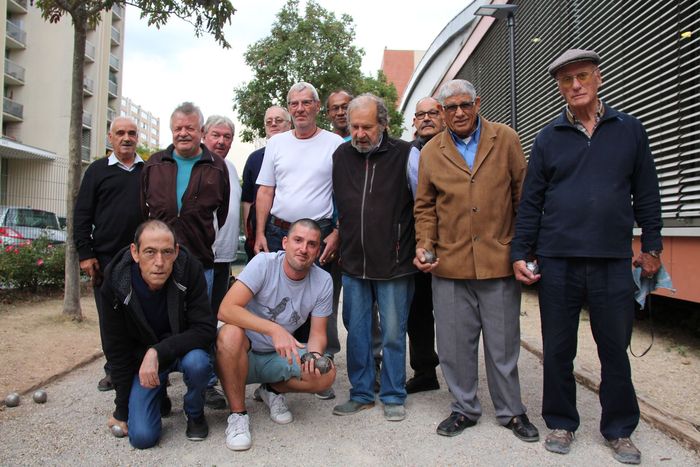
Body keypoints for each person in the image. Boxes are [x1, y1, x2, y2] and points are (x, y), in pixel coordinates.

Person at [511, 49, 663, 465]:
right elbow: (531, 202)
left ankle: (619, 430)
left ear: (597, 78)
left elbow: (647, 193)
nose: (575, 85)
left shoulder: (630, 130)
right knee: (558, 348)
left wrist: (652, 246)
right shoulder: (548, 137)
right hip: (558, 258)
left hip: (613, 259)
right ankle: (561, 421)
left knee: (614, 347)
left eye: (581, 77)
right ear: (559, 87)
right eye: (566, 80)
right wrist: (521, 252)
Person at [413, 79, 538, 442]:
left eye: (464, 105)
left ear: (478, 103)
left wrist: (524, 249)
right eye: (449, 108)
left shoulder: (506, 139)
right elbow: (425, 208)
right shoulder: (431, 152)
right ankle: (464, 408)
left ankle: (511, 411)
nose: (458, 113)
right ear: (442, 112)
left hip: (498, 259)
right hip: (450, 264)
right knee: (453, 345)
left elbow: (522, 197)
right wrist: (425, 245)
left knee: (503, 344)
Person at [254, 82, 344, 399]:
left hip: (319, 233)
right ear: (289, 108)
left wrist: (337, 232)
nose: (300, 108)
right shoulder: (277, 144)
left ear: (318, 107)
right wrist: (260, 233)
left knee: (317, 304)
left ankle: (312, 368)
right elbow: (265, 190)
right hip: (279, 231)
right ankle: (271, 371)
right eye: (294, 103)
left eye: (307, 102)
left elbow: (346, 193)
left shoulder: (334, 143)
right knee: (272, 304)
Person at [216, 219, 336, 451]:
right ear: (285, 242)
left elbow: (318, 333)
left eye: (312, 244)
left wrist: (313, 355)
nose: (303, 249)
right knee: (230, 333)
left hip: (278, 355)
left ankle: (271, 390)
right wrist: (273, 328)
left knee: (326, 373)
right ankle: (238, 415)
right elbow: (226, 309)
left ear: (318, 250)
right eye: (298, 240)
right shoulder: (264, 263)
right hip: (242, 354)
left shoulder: (323, 280)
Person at [331, 94, 416, 422]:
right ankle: (362, 393)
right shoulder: (340, 155)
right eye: (354, 126)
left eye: (367, 126)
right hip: (353, 261)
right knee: (358, 331)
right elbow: (337, 203)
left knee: (394, 332)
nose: (360, 133)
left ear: (383, 124)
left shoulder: (407, 154)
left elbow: (422, 203)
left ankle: (394, 394)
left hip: (394, 261)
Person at [101, 220, 216, 449]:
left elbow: (204, 329)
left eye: (167, 252)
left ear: (176, 252)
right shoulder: (115, 281)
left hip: (181, 351)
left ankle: (194, 412)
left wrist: (157, 351)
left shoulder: (189, 269)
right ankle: (158, 395)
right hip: (143, 361)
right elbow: (116, 349)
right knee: (142, 438)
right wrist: (121, 409)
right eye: (150, 253)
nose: (160, 262)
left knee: (199, 362)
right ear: (135, 252)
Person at [74, 116, 145, 392]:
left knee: (140, 316)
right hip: (105, 259)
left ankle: (141, 367)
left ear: (136, 137)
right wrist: (85, 253)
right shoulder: (96, 171)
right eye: (120, 133)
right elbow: (82, 215)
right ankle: (115, 370)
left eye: (131, 133)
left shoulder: (147, 170)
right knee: (110, 318)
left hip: (141, 259)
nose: (126, 138)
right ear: (110, 137)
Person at [141, 102, 230, 298]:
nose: (183, 133)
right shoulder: (154, 164)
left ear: (202, 131)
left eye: (190, 128)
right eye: (178, 128)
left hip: (200, 261)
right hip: (159, 262)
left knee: (197, 321)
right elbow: (143, 209)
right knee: (158, 321)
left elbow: (221, 214)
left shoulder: (217, 167)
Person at [201, 115, 242, 410]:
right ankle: (201, 383)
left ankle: (211, 379)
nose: (222, 141)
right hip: (197, 258)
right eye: (216, 135)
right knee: (198, 321)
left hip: (223, 258)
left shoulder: (230, 168)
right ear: (204, 135)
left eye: (227, 136)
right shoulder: (193, 164)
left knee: (216, 320)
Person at [405, 97, 445, 394]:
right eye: (422, 114)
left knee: (453, 312)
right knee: (418, 310)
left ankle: (459, 373)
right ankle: (425, 371)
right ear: (414, 122)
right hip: (417, 243)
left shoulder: (456, 147)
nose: (427, 118)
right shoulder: (407, 153)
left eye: (433, 112)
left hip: (454, 242)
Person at [241, 106, 292, 260]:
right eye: (269, 121)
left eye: (279, 120)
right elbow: (247, 201)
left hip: (293, 232)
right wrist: (251, 235)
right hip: (262, 237)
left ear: (289, 124)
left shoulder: (300, 155)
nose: (273, 124)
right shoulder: (254, 159)